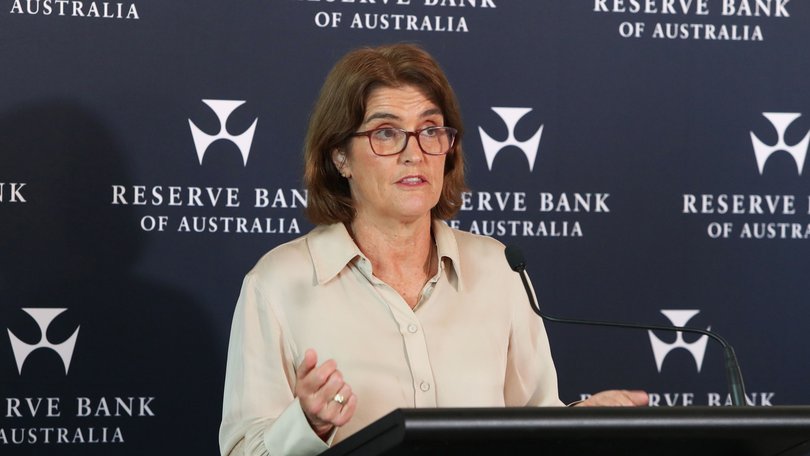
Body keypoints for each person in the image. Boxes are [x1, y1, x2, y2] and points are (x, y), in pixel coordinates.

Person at [219, 43, 647, 456]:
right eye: (386, 133)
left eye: (430, 130)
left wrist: (581, 424)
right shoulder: (277, 284)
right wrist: (307, 426)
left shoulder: (497, 269)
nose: (415, 154)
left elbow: (536, 421)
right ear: (340, 157)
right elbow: (242, 452)